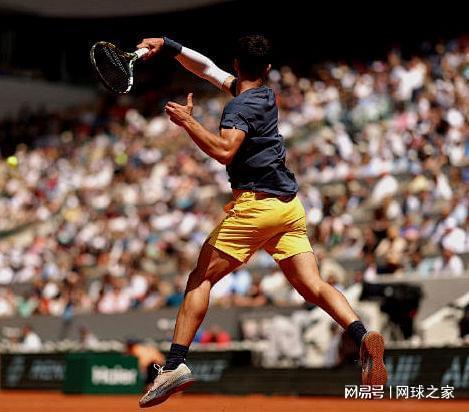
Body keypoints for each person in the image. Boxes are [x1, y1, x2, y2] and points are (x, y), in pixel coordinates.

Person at [136, 34, 387, 407]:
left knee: (200, 279)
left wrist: (188, 122)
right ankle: (362, 335)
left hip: (256, 208)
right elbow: (207, 69)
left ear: (237, 64)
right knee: (313, 285)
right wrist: (170, 46)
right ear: (267, 68)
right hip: (288, 208)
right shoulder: (265, 95)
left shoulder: (238, 107)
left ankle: (174, 365)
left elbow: (225, 150)